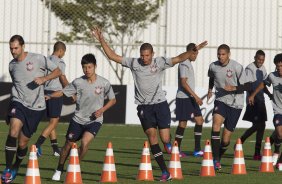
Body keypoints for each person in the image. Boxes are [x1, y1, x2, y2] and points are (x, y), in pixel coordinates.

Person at [92, 27, 207, 181]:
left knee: (165, 138)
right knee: (152, 136)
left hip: (160, 104)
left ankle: (167, 143)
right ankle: (165, 172)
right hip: (143, 107)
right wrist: (101, 39)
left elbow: (179, 58)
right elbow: (113, 56)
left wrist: (193, 50)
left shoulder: (160, 62)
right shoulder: (134, 63)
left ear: (152, 54)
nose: (144, 58)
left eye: (147, 55)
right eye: (142, 55)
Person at [1, 35, 61, 183]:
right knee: (14, 130)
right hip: (18, 102)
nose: (13, 51)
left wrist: (44, 79)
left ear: (23, 46)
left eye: (16, 48)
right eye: (11, 48)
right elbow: (16, 86)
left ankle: (16, 166)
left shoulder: (38, 59)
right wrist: (9, 110)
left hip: (36, 108)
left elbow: (58, 71)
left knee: (22, 143)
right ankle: (8, 169)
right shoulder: (12, 65)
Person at [51, 53, 116, 181]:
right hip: (77, 120)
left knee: (85, 143)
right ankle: (59, 168)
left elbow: (113, 100)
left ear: (95, 66)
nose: (87, 70)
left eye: (90, 67)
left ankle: (73, 167)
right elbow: (63, 93)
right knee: (67, 146)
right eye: (84, 67)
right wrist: (49, 96)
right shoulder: (78, 82)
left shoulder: (104, 83)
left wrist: (102, 110)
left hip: (94, 121)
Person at [207, 44, 249, 171]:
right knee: (216, 125)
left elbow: (247, 86)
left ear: (228, 55)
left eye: (223, 54)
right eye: (219, 54)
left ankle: (218, 157)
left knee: (225, 140)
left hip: (236, 104)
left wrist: (234, 88)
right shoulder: (213, 66)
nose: (220, 56)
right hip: (221, 100)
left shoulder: (236, 67)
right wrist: (210, 90)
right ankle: (215, 159)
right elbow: (212, 77)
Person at [35, 41, 69, 157]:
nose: (64, 54)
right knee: (54, 122)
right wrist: (71, 90)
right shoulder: (60, 62)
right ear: (61, 51)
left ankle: (55, 149)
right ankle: (37, 145)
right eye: (64, 52)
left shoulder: (46, 60)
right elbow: (62, 78)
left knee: (51, 122)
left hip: (44, 92)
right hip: (55, 93)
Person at [248, 53, 282, 171]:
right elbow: (263, 84)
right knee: (280, 133)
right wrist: (252, 95)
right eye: (278, 67)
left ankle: (279, 159)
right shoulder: (272, 76)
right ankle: (277, 152)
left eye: (281, 67)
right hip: (278, 109)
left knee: (279, 134)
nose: (279, 69)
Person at [239, 50, 272, 160]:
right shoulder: (250, 68)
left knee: (261, 126)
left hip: (261, 100)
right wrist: (250, 96)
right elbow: (247, 84)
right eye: (259, 59)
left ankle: (256, 152)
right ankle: (243, 141)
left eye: (262, 60)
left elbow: (263, 84)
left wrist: (269, 94)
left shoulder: (263, 69)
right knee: (259, 125)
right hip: (253, 100)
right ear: (255, 58)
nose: (260, 62)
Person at [174, 43, 204, 158]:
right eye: (195, 53)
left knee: (199, 120)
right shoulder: (184, 64)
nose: (196, 56)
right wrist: (196, 96)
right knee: (183, 123)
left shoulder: (188, 63)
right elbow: (183, 83)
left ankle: (197, 150)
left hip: (190, 98)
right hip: (184, 98)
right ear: (190, 53)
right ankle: (176, 150)